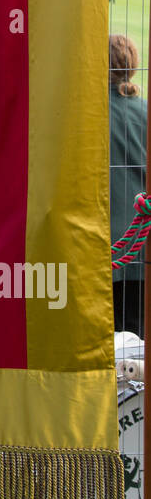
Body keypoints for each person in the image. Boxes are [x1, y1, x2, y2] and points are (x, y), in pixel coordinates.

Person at [109, 34, 146, 336]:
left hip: (104, 238)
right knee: (136, 332)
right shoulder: (144, 111)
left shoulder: (88, 113)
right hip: (142, 238)